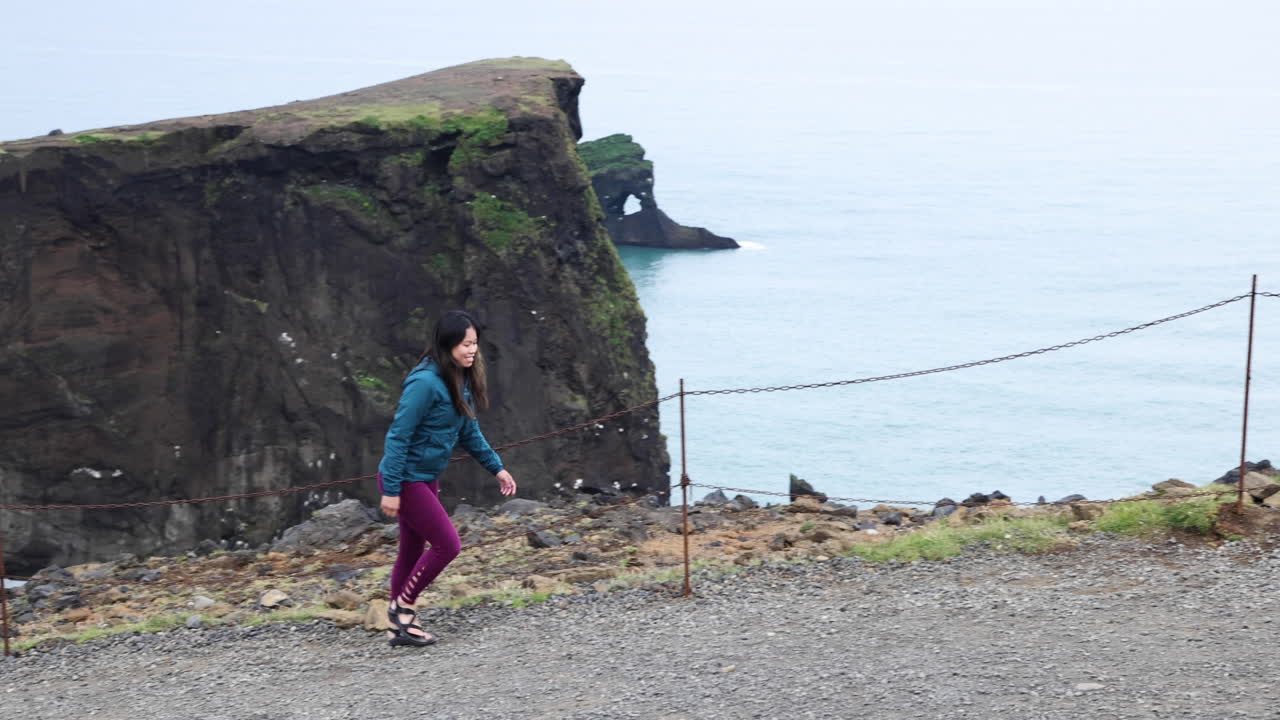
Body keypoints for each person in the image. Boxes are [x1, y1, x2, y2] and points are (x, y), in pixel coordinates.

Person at [377, 309, 517, 647]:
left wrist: (497, 467)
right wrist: (392, 490)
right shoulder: (424, 383)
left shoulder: (459, 378)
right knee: (448, 544)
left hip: (426, 478)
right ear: (448, 343)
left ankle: (399, 628)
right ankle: (404, 608)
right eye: (466, 344)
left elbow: (469, 431)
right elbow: (398, 436)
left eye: (475, 344)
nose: (472, 351)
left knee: (410, 551)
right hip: (406, 480)